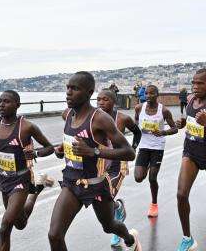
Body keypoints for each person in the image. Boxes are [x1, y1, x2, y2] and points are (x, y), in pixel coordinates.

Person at [48, 71, 141, 251]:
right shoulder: (68, 115)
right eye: (68, 88)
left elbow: (129, 152)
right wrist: (62, 150)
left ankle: (130, 238)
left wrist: (93, 151)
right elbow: (73, 143)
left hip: (96, 184)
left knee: (109, 226)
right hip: (72, 182)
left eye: (75, 89)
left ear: (89, 93)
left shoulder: (99, 118)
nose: (69, 92)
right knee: (54, 234)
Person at [0, 90, 55, 251]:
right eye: (0, 101)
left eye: (7, 101)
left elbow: (50, 148)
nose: (2, 105)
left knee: (5, 227)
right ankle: (38, 188)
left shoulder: (26, 127)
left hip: (21, 180)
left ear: (17, 105)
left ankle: (33, 186)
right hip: (3, 180)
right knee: (20, 223)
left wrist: (35, 153)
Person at [97, 89, 142, 247]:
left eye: (105, 99)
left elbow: (137, 132)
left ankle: (116, 229)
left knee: (107, 196)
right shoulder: (94, 118)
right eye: (98, 99)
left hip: (117, 165)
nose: (101, 103)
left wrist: (134, 148)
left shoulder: (122, 118)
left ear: (114, 102)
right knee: (99, 197)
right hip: (101, 164)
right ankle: (117, 207)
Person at [134, 85, 177, 218]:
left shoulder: (163, 110)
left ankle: (154, 204)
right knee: (138, 178)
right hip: (144, 145)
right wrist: (136, 137)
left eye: (151, 93)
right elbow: (136, 123)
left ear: (157, 95)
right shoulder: (139, 108)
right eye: (146, 93)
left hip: (157, 147)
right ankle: (147, 165)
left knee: (152, 177)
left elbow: (174, 128)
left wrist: (163, 132)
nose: (148, 96)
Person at [176, 68, 206, 251]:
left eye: (200, 83)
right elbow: (191, 121)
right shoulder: (191, 100)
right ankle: (187, 238)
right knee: (181, 194)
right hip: (192, 152)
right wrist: (183, 123)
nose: (195, 86)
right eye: (193, 83)